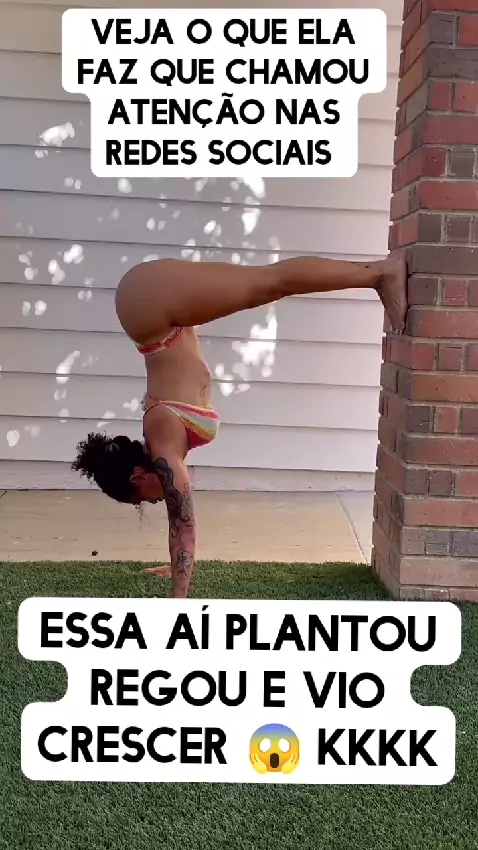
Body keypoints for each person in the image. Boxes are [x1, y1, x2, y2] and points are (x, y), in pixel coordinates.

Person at [72, 254, 407, 597]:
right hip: (150, 306)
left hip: (147, 301)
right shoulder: (166, 443)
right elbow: (180, 531)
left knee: (272, 283)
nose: (153, 503)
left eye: (141, 500)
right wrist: (177, 565)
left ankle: (379, 273)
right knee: (269, 283)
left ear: (137, 478)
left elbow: (182, 526)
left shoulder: (164, 446)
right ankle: (377, 274)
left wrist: (177, 602)